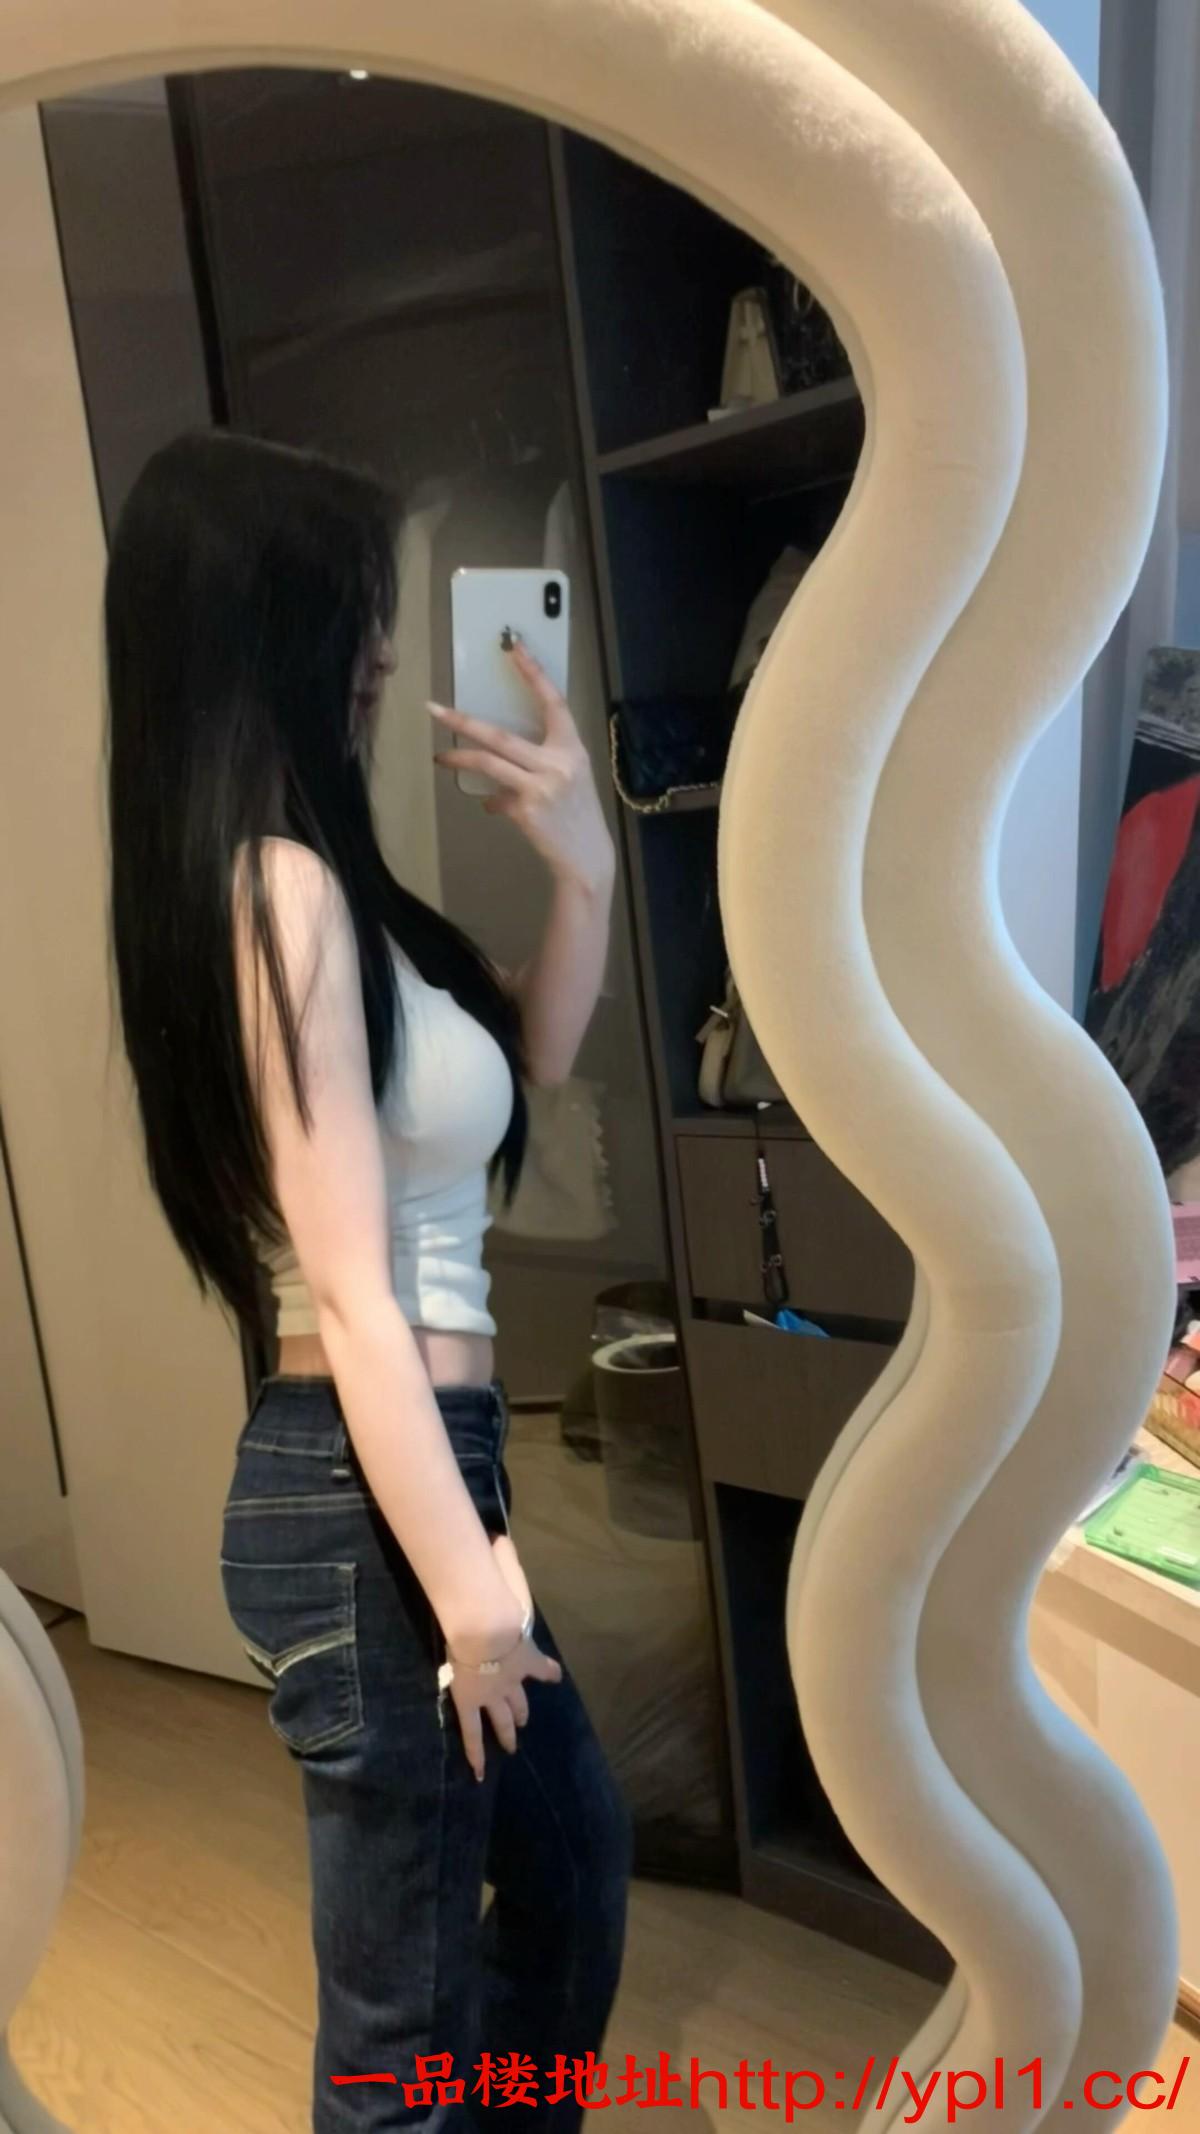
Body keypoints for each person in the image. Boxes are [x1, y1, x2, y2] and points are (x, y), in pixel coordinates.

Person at [103, 430, 632, 2132]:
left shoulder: (343, 891)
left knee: (569, 1872)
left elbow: (534, 1054)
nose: (390, 648)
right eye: (354, 606)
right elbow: (351, 1291)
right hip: (364, 1487)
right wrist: (472, 1596)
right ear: (263, 627)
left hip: (410, 1476)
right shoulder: (279, 895)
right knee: (400, 2028)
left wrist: (584, 858)